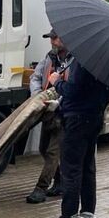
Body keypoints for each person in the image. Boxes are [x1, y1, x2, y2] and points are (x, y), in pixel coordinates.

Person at [48, 47, 109, 218]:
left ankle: (68, 216)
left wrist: (57, 81)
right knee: (87, 167)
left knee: (71, 170)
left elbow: (72, 91)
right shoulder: (106, 64)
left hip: (76, 121)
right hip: (94, 119)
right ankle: (87, 213)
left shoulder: (83, 60)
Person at [25, 29, 68, 204]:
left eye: (55, 38)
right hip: (47, 111)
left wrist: (58, 102)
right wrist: (37, 95)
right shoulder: (49, 57)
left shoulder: (73, 61)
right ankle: (60, 183)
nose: (52, 42)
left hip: (63, 113)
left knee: (52, 152)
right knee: (44, 148)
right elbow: (35, 77)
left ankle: (41, 189)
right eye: (51, 38)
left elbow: (73, 88)